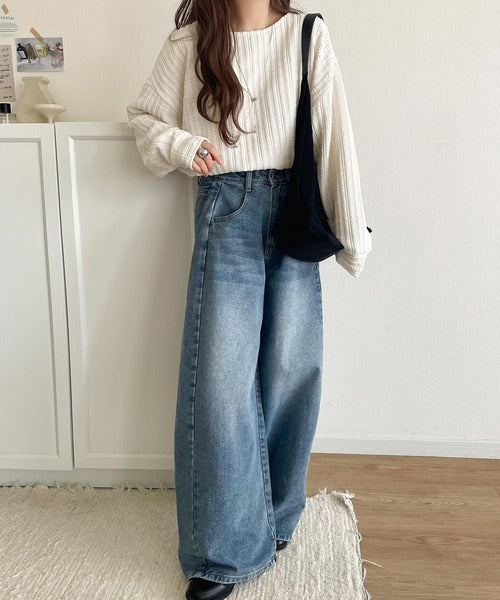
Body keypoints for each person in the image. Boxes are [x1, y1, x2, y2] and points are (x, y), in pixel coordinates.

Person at [126, 2, 372, 598]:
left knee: (291, 371)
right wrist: (183, 145)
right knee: (219, 383)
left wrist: (352, 232)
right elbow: (143, 118)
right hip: (225, 208)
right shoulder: (190, 43)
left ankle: (278, 517)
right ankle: (223, 551)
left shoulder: (307, 34)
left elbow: (333, 134)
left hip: (294, 211)